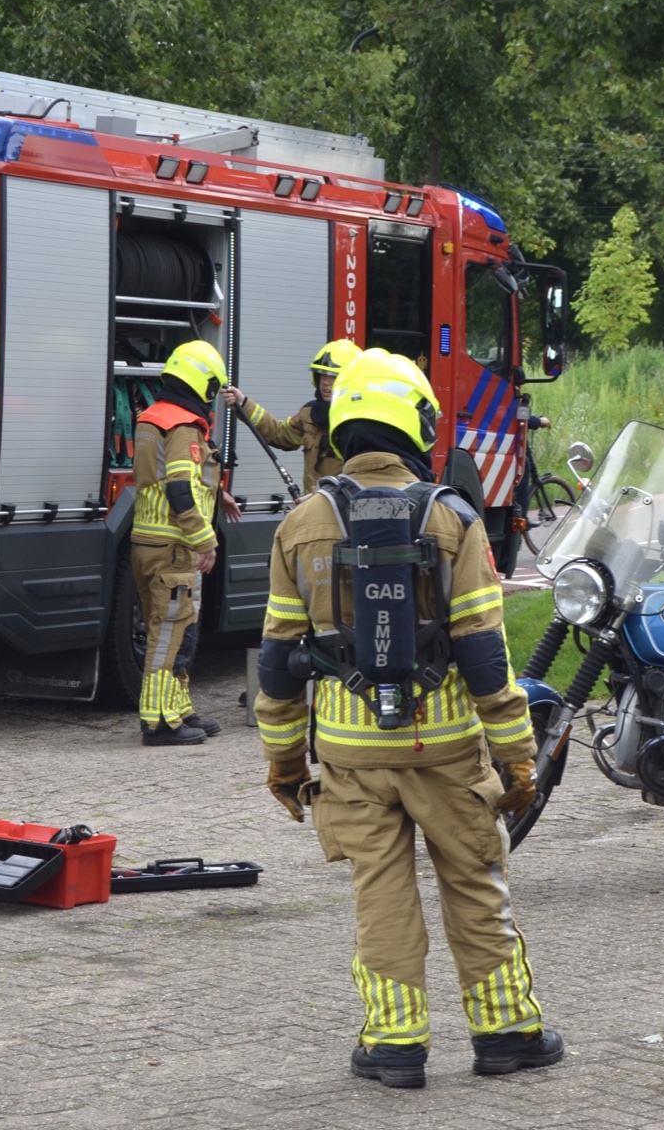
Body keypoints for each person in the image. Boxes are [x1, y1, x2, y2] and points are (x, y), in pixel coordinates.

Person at [254, 349, 564, 1089]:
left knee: (380, 895)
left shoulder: (301, 525)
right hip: (449, 749)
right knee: (476, 883)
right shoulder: (455, 520)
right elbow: (487, 658)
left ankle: (394, 1047)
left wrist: (286, 764)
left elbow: (276, 668)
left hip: (351, 757)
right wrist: (517, 755)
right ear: (417, 425)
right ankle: (507, 1034)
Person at [129, 338, 238, 745]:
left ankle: (179, 710)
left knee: (181, 629)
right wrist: (205, 540)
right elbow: (178, 488)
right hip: (174, 545)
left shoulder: (152, 416)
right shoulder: (182, 425)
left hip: (150, 542)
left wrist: (217, 494)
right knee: (169, 633)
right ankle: (158, 722)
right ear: (201, 382)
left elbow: (176, 479)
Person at [219, 338, 360, 494]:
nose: (326, 382)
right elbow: (281, 434)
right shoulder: (309, 414)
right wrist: (244, 405)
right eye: (322, 375)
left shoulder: (360, 421)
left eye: (333, 376)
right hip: (313, 507)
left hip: (343, 510)